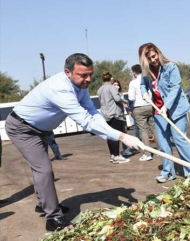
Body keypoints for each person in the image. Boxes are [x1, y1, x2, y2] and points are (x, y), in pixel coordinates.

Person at [5, 53, 145, 231]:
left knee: (39, 168)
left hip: (42, 129)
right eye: (83, 75)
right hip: (22, 128)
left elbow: (92, 112)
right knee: (44, 169)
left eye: (90, 74)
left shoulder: (80, 87)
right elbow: (85, 120)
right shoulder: (60, 89)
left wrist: (115, 133)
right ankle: (53, 219)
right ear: (67, 72)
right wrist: (122, 137)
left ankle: (44, 203)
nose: (88, 79)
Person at [139, 43, 190, 183]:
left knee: (179, 139)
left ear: (158, 53)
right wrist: (144, 93)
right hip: (158, 110)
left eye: (154, 56)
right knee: (163, 143)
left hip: (175, 108)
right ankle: (168, 172)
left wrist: (166, 106)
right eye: (149, 58)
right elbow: (143, 84)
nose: (153, 60)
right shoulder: (146, 71)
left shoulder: (170, 66)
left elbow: (175, 87)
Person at [97, 73, 131, 164]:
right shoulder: (111, 88)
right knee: (116, 135)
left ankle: (112, 155)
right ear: (110, 79)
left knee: (109, 136)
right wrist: (124, 101)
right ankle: (117, 156)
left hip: (105, 115)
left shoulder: (100, 89)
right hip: (114, 114)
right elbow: (117, 98)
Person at [128, 64, 156, 161]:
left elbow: (131, 97)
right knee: (154, 127)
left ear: (134, 72)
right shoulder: (148, 79)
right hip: (150, 105)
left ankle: (147, 153)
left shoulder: (133, 83)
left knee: (143, 130)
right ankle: (163, 150)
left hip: (139, 107)